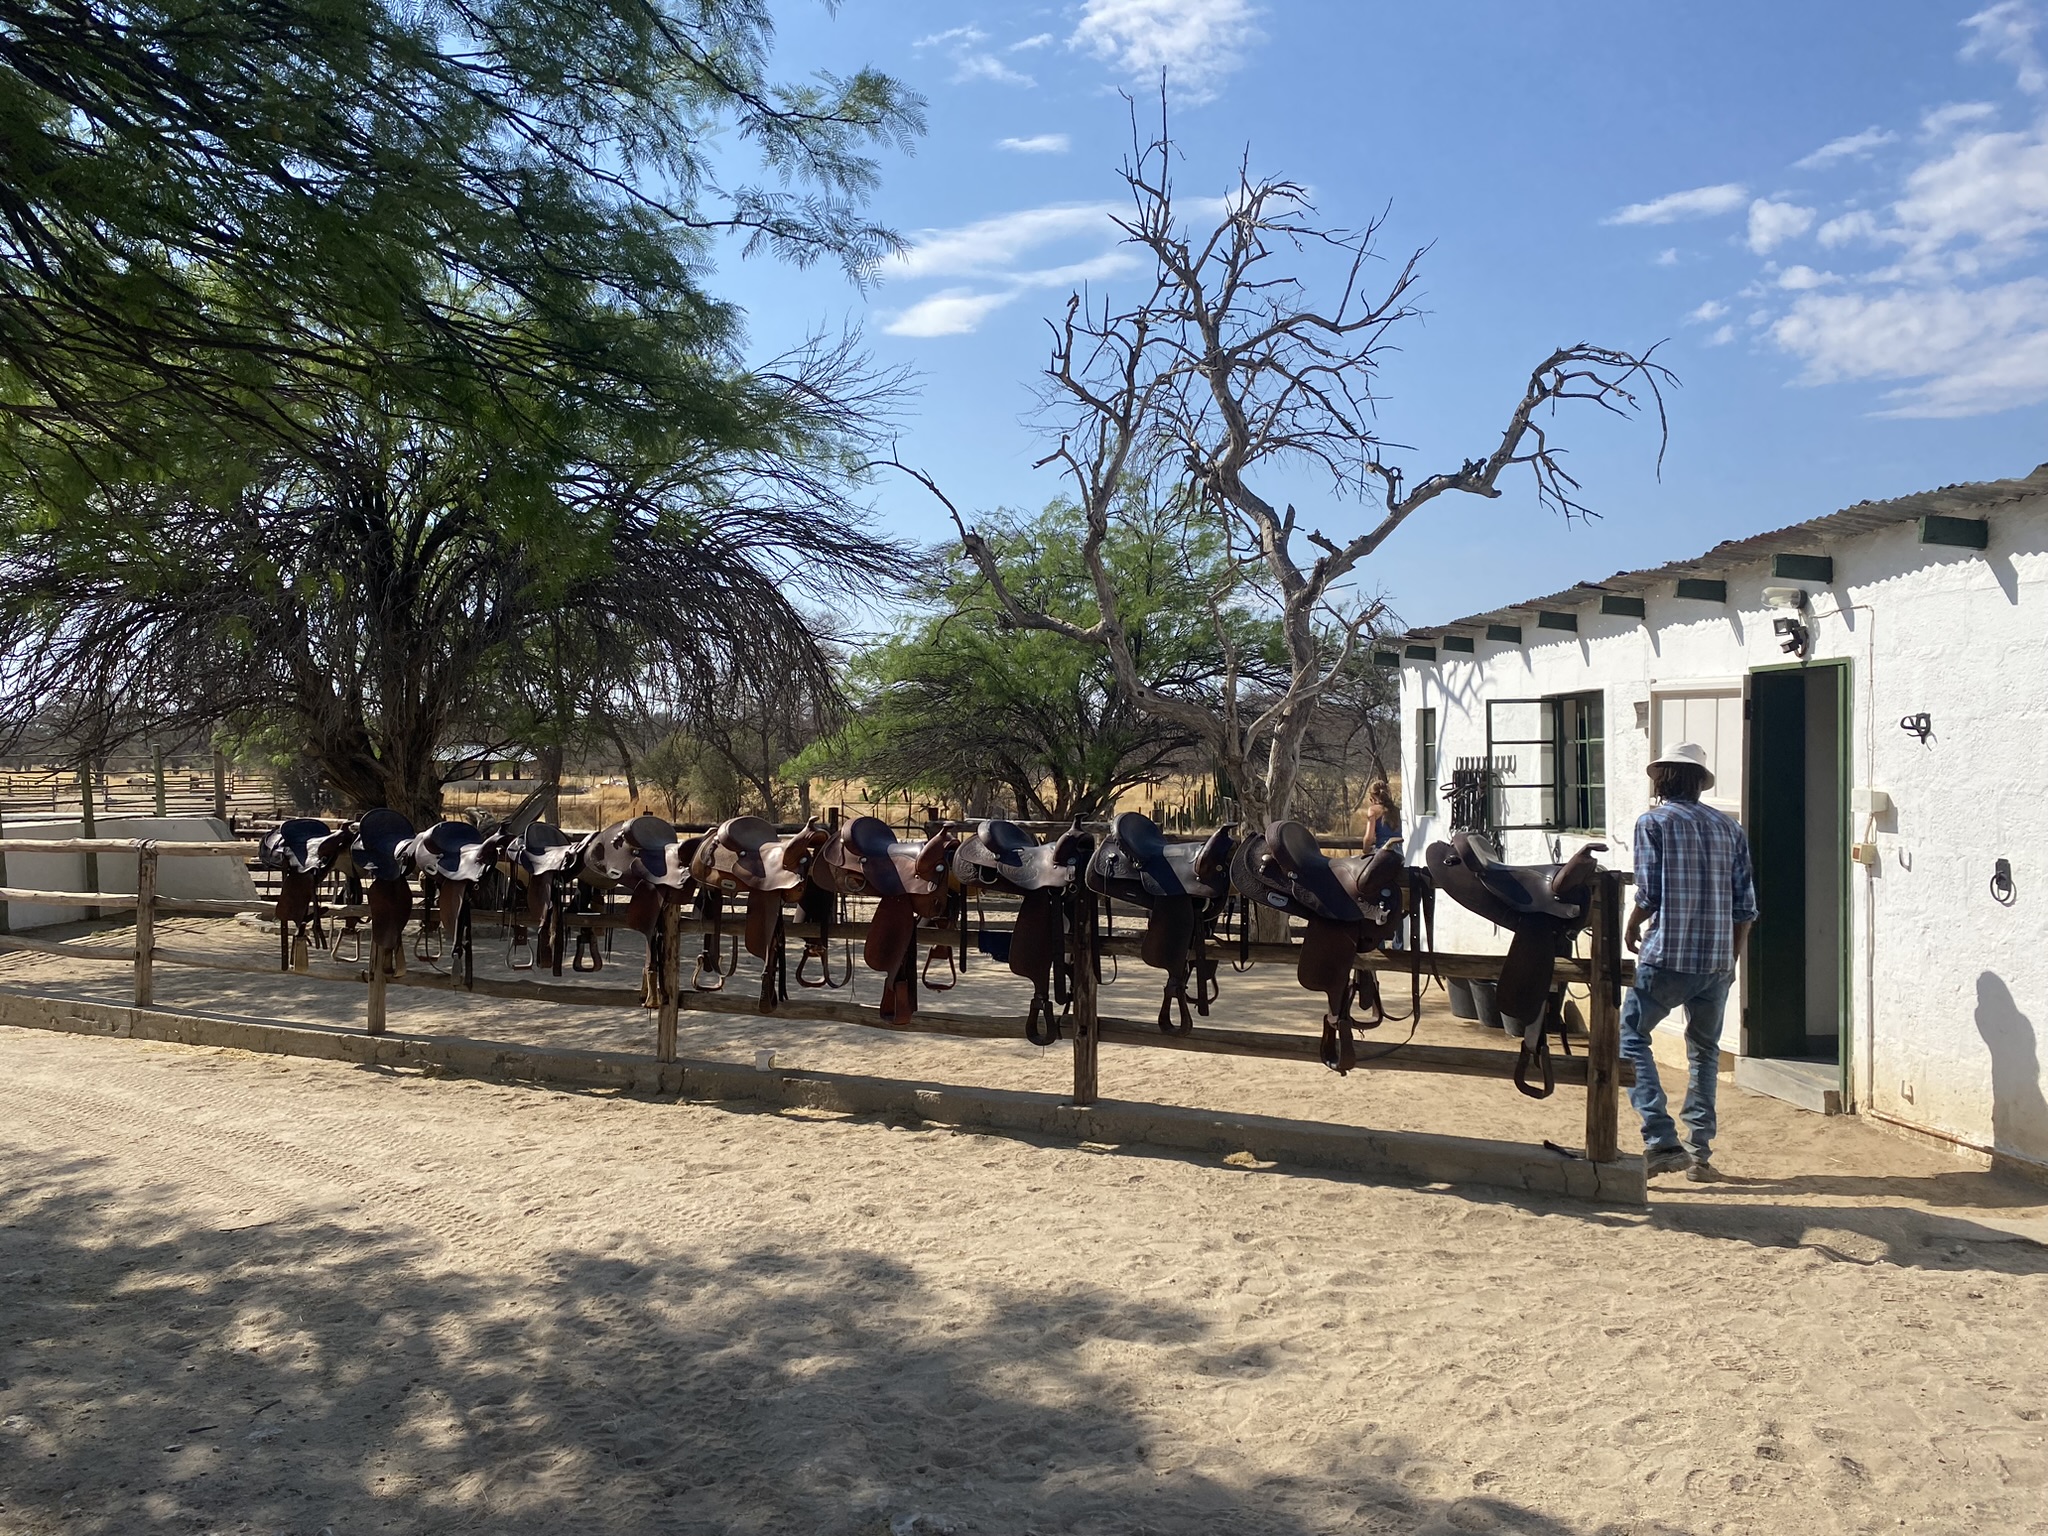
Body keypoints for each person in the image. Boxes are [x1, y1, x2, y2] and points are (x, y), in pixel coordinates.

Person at [1622, 741, 1757, 1182]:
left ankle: (1661, 1140)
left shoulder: (1653, 823)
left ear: (1662, 781)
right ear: (1700, 783)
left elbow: (1650, 892)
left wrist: (1633, 919)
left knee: (1630, 1037)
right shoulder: (1729, 828)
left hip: (1669, 954)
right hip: (1717, 959)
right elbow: (1745, 906)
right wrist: (1731, 959)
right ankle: (1700, 1154)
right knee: (1704, 1052)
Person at [1364, 779, 1402, 852]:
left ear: (1372, 797)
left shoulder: (1373, 810)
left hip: (1382, 851)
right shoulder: (1396, 810)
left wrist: (1365, 850)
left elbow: (1369, 838)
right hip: (1399, 852)